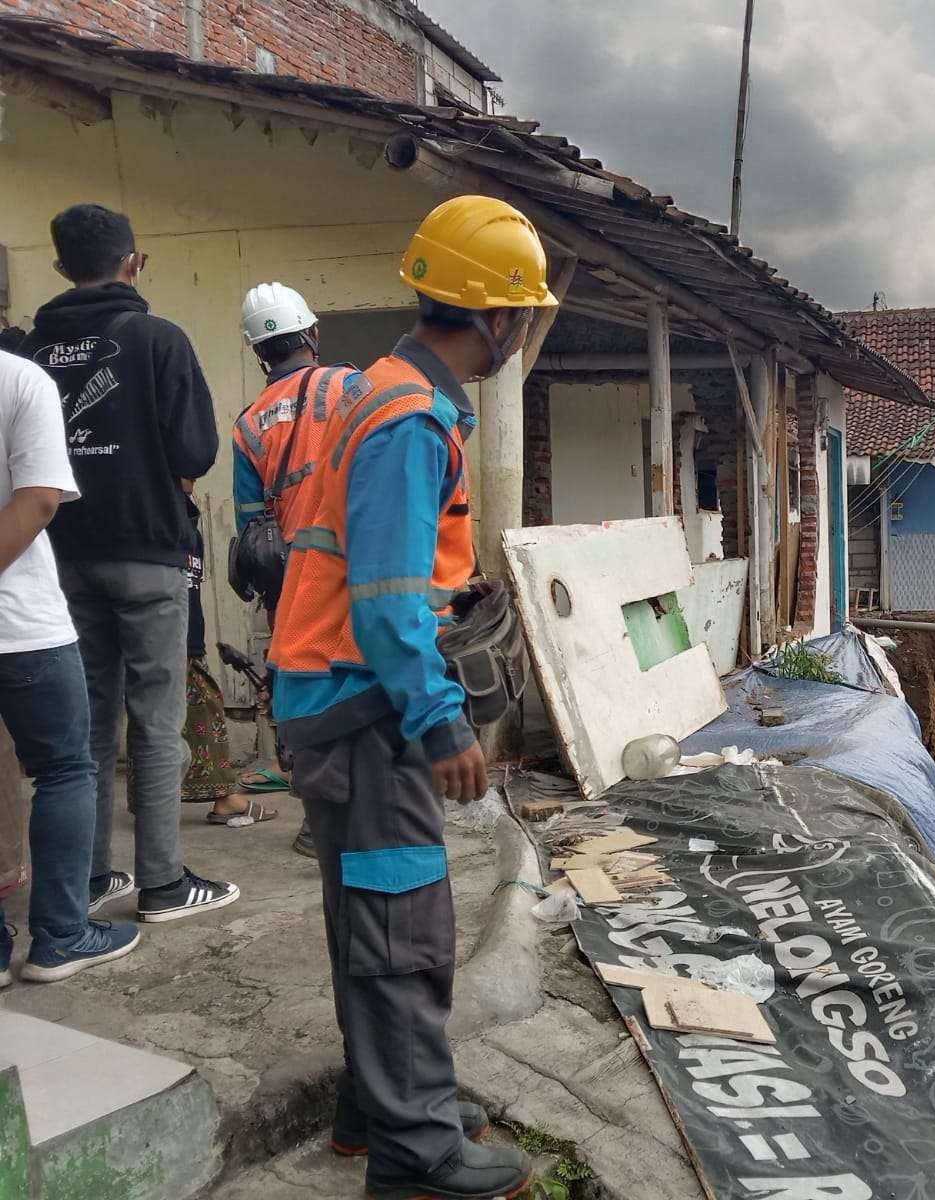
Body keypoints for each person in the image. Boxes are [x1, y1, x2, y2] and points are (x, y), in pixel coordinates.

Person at [269, 195, 557, 1200]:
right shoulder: (407, 419)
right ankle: (417, 1155)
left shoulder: (383, 391)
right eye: (525, 314)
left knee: (368, 916)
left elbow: (389, 569)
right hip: (364, 710)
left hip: (331, 695)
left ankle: (379, 1104)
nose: (524, 331)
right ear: (497, 318)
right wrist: (438, 719)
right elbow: (386, 600)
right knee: (402, 929)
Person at [22, 203, 238, 923]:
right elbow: (194, 453)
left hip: (58, 559)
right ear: (133, 261)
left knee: (86, 723)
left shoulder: (28, 354)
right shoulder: (157, 338)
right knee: (156, 719)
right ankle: (164, 884)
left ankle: (90, 877)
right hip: (146, 551)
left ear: (60, 269)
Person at [0, 347, 141, 984]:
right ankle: (60, 935)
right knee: (64, 769)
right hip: (22, 626)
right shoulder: (18, 379)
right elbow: (37, 501)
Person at [233, 282, 359, 859]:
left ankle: (318, 822)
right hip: (358, 562)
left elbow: (249, 520)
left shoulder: (250, 422)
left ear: (261, 351)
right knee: (364, 677)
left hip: (292, 578)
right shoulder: (351, 386)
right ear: (310, 333)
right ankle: (369, 808)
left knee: (304, 692)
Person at [181, 511, 276, 826]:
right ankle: (224, 797)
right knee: (203, 713)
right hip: (171, 640)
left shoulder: (189, 527)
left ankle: (154, 798)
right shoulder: (163, 522)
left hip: (186, 636)